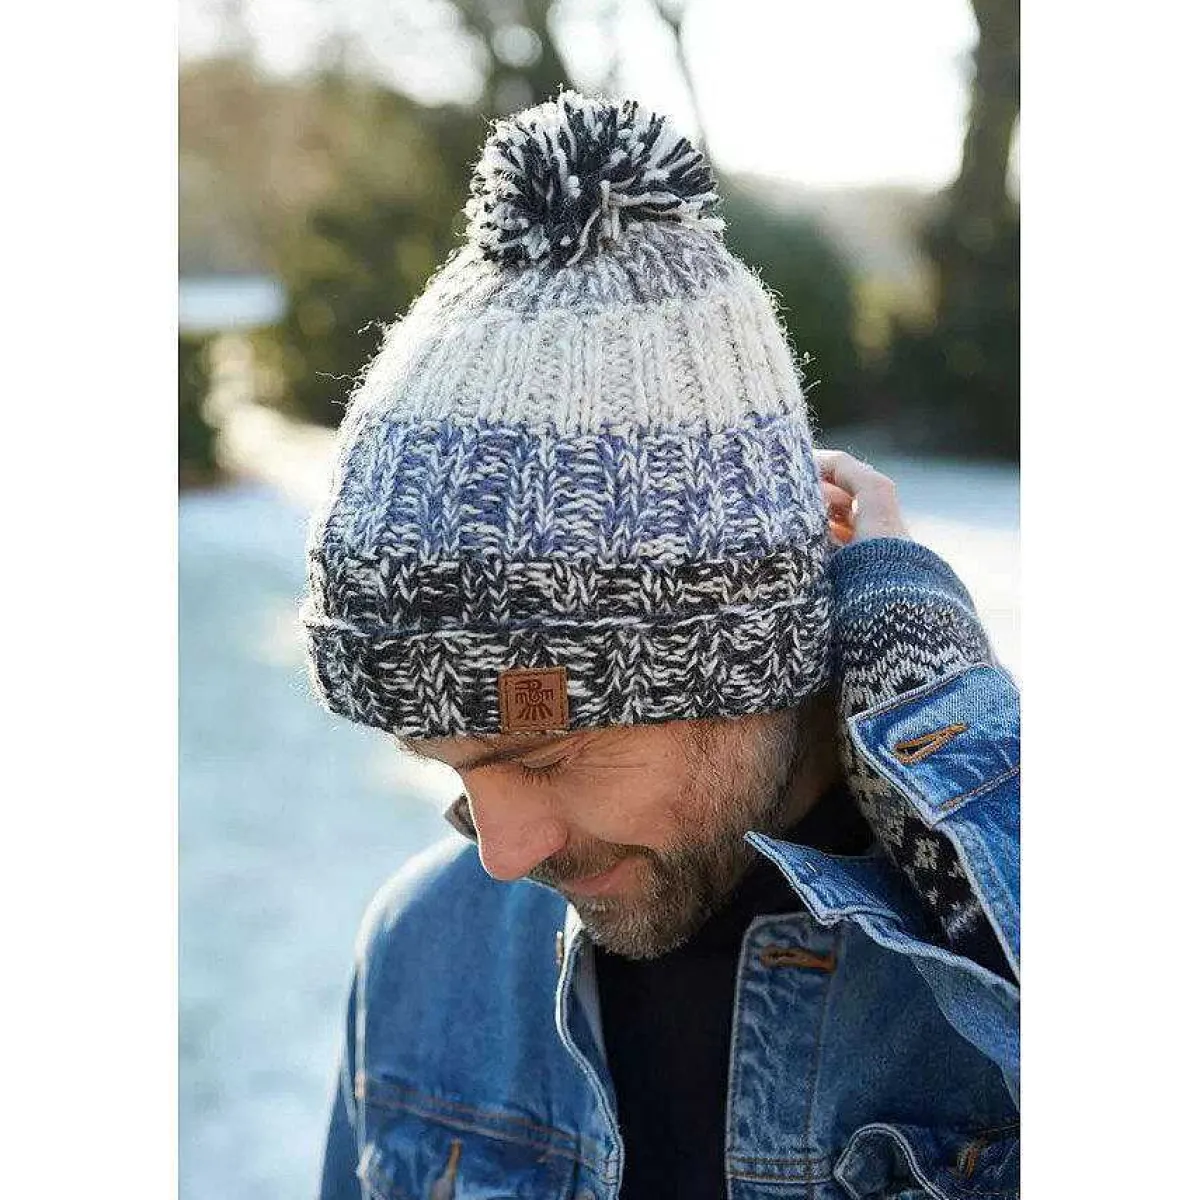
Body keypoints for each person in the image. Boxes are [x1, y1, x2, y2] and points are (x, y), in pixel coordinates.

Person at [303, 92, 1019, 1200]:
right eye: (450, 766)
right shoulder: (421, 952)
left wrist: (955, 760)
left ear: (768, 653)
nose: (502, 853)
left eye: (547, 755)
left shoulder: (980, 984)